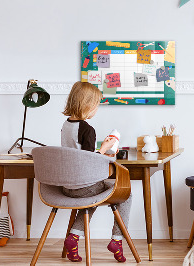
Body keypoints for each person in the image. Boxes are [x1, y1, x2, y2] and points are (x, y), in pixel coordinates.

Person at [61, 81, 131, 263]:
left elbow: (78, 154)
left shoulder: (66, 125)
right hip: (84, 186)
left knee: (92, 197)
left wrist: (100, 150)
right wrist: (105, 149)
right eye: (96, 105)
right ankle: (117, 240)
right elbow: (88, 161)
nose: (97, 109)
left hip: (67, 186)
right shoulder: (87, 129)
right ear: (87, 105)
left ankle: (73, 238)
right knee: (126, 194)